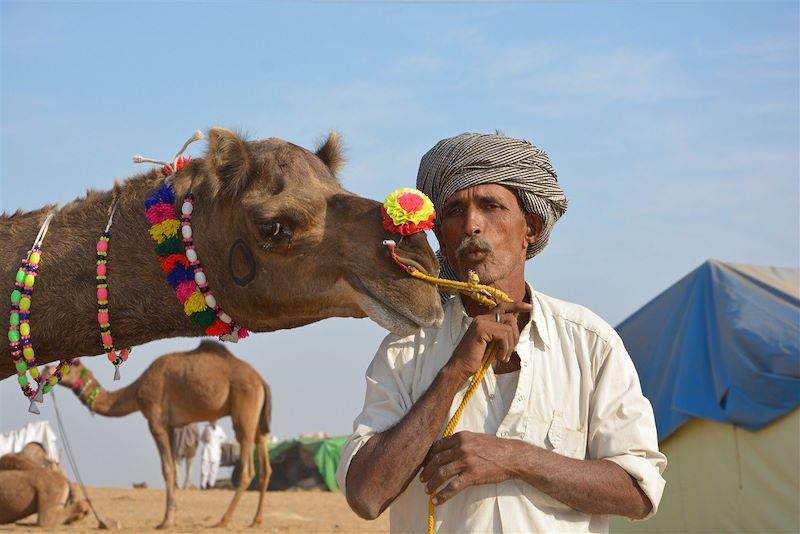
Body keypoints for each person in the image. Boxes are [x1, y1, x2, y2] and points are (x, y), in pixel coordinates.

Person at [337, 133, 667, 533]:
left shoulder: (589, 343)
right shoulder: (406, 349)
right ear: (441, 234)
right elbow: (367, 496)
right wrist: (452, 373)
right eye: (455, 211)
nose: (473, 224)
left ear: (531, 227)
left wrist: (515, 458)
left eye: (491, 206)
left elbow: (638, 490)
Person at [200, 420, 226, 490]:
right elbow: (201, 438)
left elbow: (223, 437)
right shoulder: (205, 428)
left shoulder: (219, 429)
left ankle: (211, 484)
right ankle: (203, 485)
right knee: (204, 469)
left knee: (214, 470)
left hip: (216, 450)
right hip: (207, 450)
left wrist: (218, 442)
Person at [172, 423, 199, 489]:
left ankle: (181, 484)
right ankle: (184, 484)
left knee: (180, 467)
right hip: (186, 448)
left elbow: (173, 436)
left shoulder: (178, 424)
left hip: (182, 448)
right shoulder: (194, 424)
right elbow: (197, 437)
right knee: (186, 468)